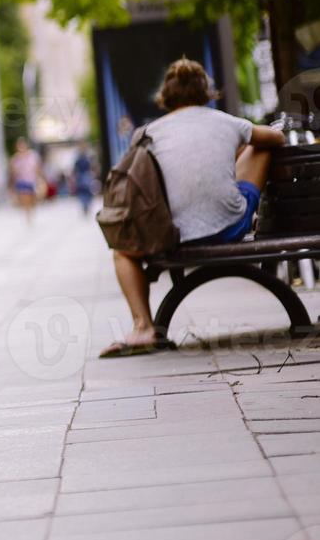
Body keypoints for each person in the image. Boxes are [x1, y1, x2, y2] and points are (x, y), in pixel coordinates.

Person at [101, 59, 286, 357]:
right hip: (230, 227)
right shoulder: (226, 121)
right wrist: (236, 144)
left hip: (170, 236)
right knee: (260, 146)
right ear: (206, 92)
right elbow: (276, 138)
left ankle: (143, 327)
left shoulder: (147, 133)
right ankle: (251, 215)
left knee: (122, 253)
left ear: (166, 96)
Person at [10, 137, 43, 223]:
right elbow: (13, 172)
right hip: (21, 180)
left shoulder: (33, 155)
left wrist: (40, 178)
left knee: (32, 198)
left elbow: (38, 167)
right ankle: (27, 215)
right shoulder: (15, 159)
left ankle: (31, 211)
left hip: (31, 180)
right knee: (25, 198)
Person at [72, 144, 97, 215]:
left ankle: (86, 205)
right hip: (82, 177)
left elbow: (91, 167)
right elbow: (75, 170)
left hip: (85, 177)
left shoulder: (87, 158)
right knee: (83, 192)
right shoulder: (79, 159)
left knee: (87, 192)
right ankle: (84, 206)